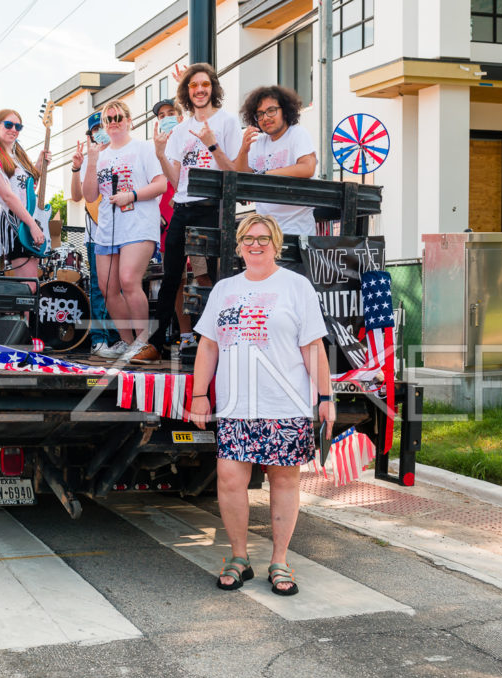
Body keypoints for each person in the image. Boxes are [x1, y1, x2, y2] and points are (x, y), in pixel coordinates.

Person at [190, 214, 334, 596]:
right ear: (238, 246)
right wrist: (200, 394)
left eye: (264, 238)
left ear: (276, 243)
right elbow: (208, 344)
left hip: (284, 403)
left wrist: (324, 397)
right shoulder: (223, 290)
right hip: (237, 405)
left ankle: (280, 560)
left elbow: (313, 346)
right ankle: (239, 558)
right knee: (230, 480)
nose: (256, 244)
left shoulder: (296, 286)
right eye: (248, 239)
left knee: (283, 479)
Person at [147, 63, 242, 363]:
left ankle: (216, 341)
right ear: (187, 92)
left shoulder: (227, 122)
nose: (199, 90)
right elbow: (176, 181)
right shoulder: (180, 127)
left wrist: (211, 144)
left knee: (213, 278)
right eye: (193, 86)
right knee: (170, 276)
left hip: (213, 207)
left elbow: (235, 172)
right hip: (183, 207)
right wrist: (161, 153)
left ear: (213, 87)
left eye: (204, 84)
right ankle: (157, 342)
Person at [80, 100, 166, 363]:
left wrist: (132, 195)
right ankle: (128, 343)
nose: (114, 121)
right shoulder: (99, 155)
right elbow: (89, 195)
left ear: (129, 120)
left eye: (119, 116)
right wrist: (92, 160)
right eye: (108, 119)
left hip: (138, 225)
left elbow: (161, 184)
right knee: (108, 288)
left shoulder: (143, 148)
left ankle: (143, 342)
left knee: (129, 280)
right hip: (107, 229)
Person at [234, 85, 318, 235]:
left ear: (285, 111)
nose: (265, 117)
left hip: (296, 231)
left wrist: (267, 174)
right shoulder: (258, 142)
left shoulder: (297, 134)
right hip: (264, 230)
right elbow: (242, 176)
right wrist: (243, 151)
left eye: (271, 111)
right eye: (259, 114)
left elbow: (307, 167)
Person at [70, 112, 120, 358]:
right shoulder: (93, 159)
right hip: (96, 236)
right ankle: (99, 340)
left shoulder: (124, 154)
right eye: (95, 129)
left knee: (120, 288)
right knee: (101, 288)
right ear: (90, 135)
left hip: (123, 234)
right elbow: (78, 197)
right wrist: (76, 168)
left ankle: (117, 339)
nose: (101, 131)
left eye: (104, 126)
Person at [151, 97, 198, 354]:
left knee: (203, 274)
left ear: (181, 116)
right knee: (175, 280)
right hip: (168, 222)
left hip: (197, 214)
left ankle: (207, 334)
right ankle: (185, 335)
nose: (166, 117)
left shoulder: (191, 136)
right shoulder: (153, 149)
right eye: (162, 115)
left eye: (172, 112)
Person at [0, 109, 50, 282]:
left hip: (28, 218)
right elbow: (7, 196)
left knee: (32, 283)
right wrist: (33, 225)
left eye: (18, 126)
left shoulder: (17, 156)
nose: (14, 129)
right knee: (27, 284)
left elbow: (26, 190)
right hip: (15, 222)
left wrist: (39, 164)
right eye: (8, 124)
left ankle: (27, 311)